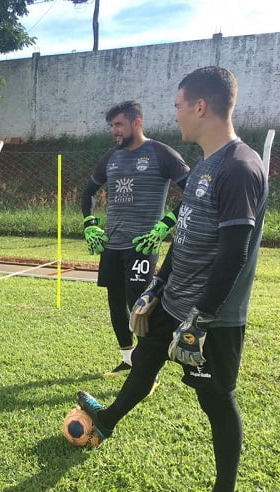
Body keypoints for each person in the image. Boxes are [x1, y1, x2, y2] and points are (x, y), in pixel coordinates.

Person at [75, 66, 267, 492]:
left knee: (216, 400)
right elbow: (183, 236)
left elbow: (234, 251)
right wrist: (157, 288)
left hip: (210, 318)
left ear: (201, 107)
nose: (175, 114)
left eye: (179, 105)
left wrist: (200, 321)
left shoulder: (240, 167)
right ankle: (107, 421)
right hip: (174, 300)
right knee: (143, 361)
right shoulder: (204, 164)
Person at [81, 100, 189, 377]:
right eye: (111, 126)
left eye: (118, 124)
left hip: (142, 243)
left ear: (137, 122)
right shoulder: (111, 157)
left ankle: (147, 368)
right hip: (112, 243)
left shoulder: (161, 153)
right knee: (115, 302)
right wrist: (90, 224)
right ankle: (127, 359)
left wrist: (167, 223)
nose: (114, 131)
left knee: (139, 304)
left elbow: (193, 191)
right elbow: (88, 192)